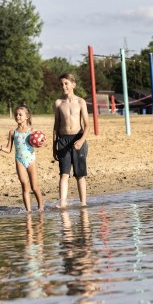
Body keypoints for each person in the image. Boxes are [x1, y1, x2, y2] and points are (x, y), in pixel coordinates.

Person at [53, 73, 90, 207]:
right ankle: (62, 202)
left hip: (78, 139)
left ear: (73, 84)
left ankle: (83, 203)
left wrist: (81, 141)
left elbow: (87, 125)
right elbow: (56, 126)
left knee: (80, 174)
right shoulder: (58, 103)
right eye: (61, 84)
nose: (64, 86)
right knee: (64, 173)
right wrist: (54, 145)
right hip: (63, 140)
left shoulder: (80, 102)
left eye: (66, 83)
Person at [0, 105, 44, 212]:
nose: (17, 116)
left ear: (27, 116)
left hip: (31, 160)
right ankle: (28, 210)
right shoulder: (12, 132)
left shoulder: (32, 131)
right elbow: (8, 149)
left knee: (34, 186)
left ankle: (40, 206)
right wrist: (0, 147)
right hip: (19, 160)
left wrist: (41, 142)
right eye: (16, 115)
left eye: (20, 114)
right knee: (24, 185)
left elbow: (39, 141)